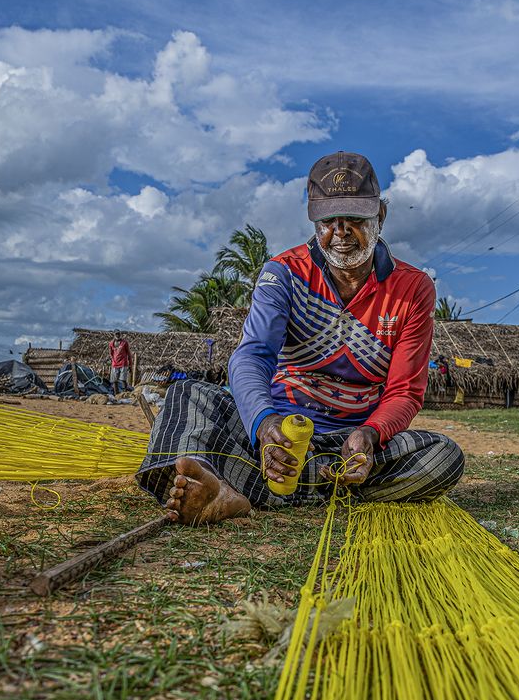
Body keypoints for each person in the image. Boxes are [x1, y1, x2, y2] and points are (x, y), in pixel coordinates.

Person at [137, 151, 464, 524]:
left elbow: (404, 391)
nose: (340, 231)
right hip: (277, 436)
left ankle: (239, 486)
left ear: (381, 217)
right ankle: (311, 486)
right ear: (314, 222)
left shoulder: (413, 288)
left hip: (351, 445)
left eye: (355, 219)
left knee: (443, 456)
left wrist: (370, 435)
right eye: (327, 220)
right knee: (188, 395)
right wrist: (265, 424)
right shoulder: (283, 274)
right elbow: (252, 356)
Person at [108, 331, 133, 395]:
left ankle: (125, 393)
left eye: (118, 334)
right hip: (115, 364)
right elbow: (111, 353)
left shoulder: (124, 343)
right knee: (114, 380)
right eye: (116, 334)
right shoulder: (111, 343)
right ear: (114, 335)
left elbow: (129, 354)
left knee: (123, 379)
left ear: (120, 334)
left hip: (123, 363)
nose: (117, 335)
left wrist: (130, 365)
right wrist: (113, 360)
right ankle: (116, 394)